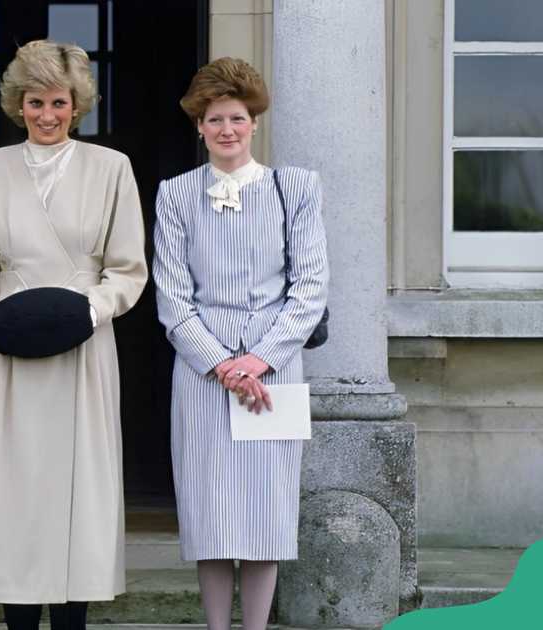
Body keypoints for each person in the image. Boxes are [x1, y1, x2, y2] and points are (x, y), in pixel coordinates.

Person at [0, 39, 148, 630]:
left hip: (82, 348)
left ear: (76, 104)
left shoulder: (111, 168)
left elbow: (128, 269)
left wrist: (85, 312)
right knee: (15, 493)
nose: (47, 115)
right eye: (35, 102)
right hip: (9, 352)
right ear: (18, 104)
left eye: (58, 102)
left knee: (77, 493)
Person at [153, 57, 329, 630]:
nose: (226, 129)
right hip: (202, 373)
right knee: (209, 514)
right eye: (214, 120)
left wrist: (258, 361)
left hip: (273, 373)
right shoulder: (176, 195)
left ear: (254, 122)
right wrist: (221, 365)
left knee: (265, 514)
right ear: (199, 127)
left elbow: (310, 288)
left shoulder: (294, 188)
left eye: (236, 118)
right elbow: (172, 296)